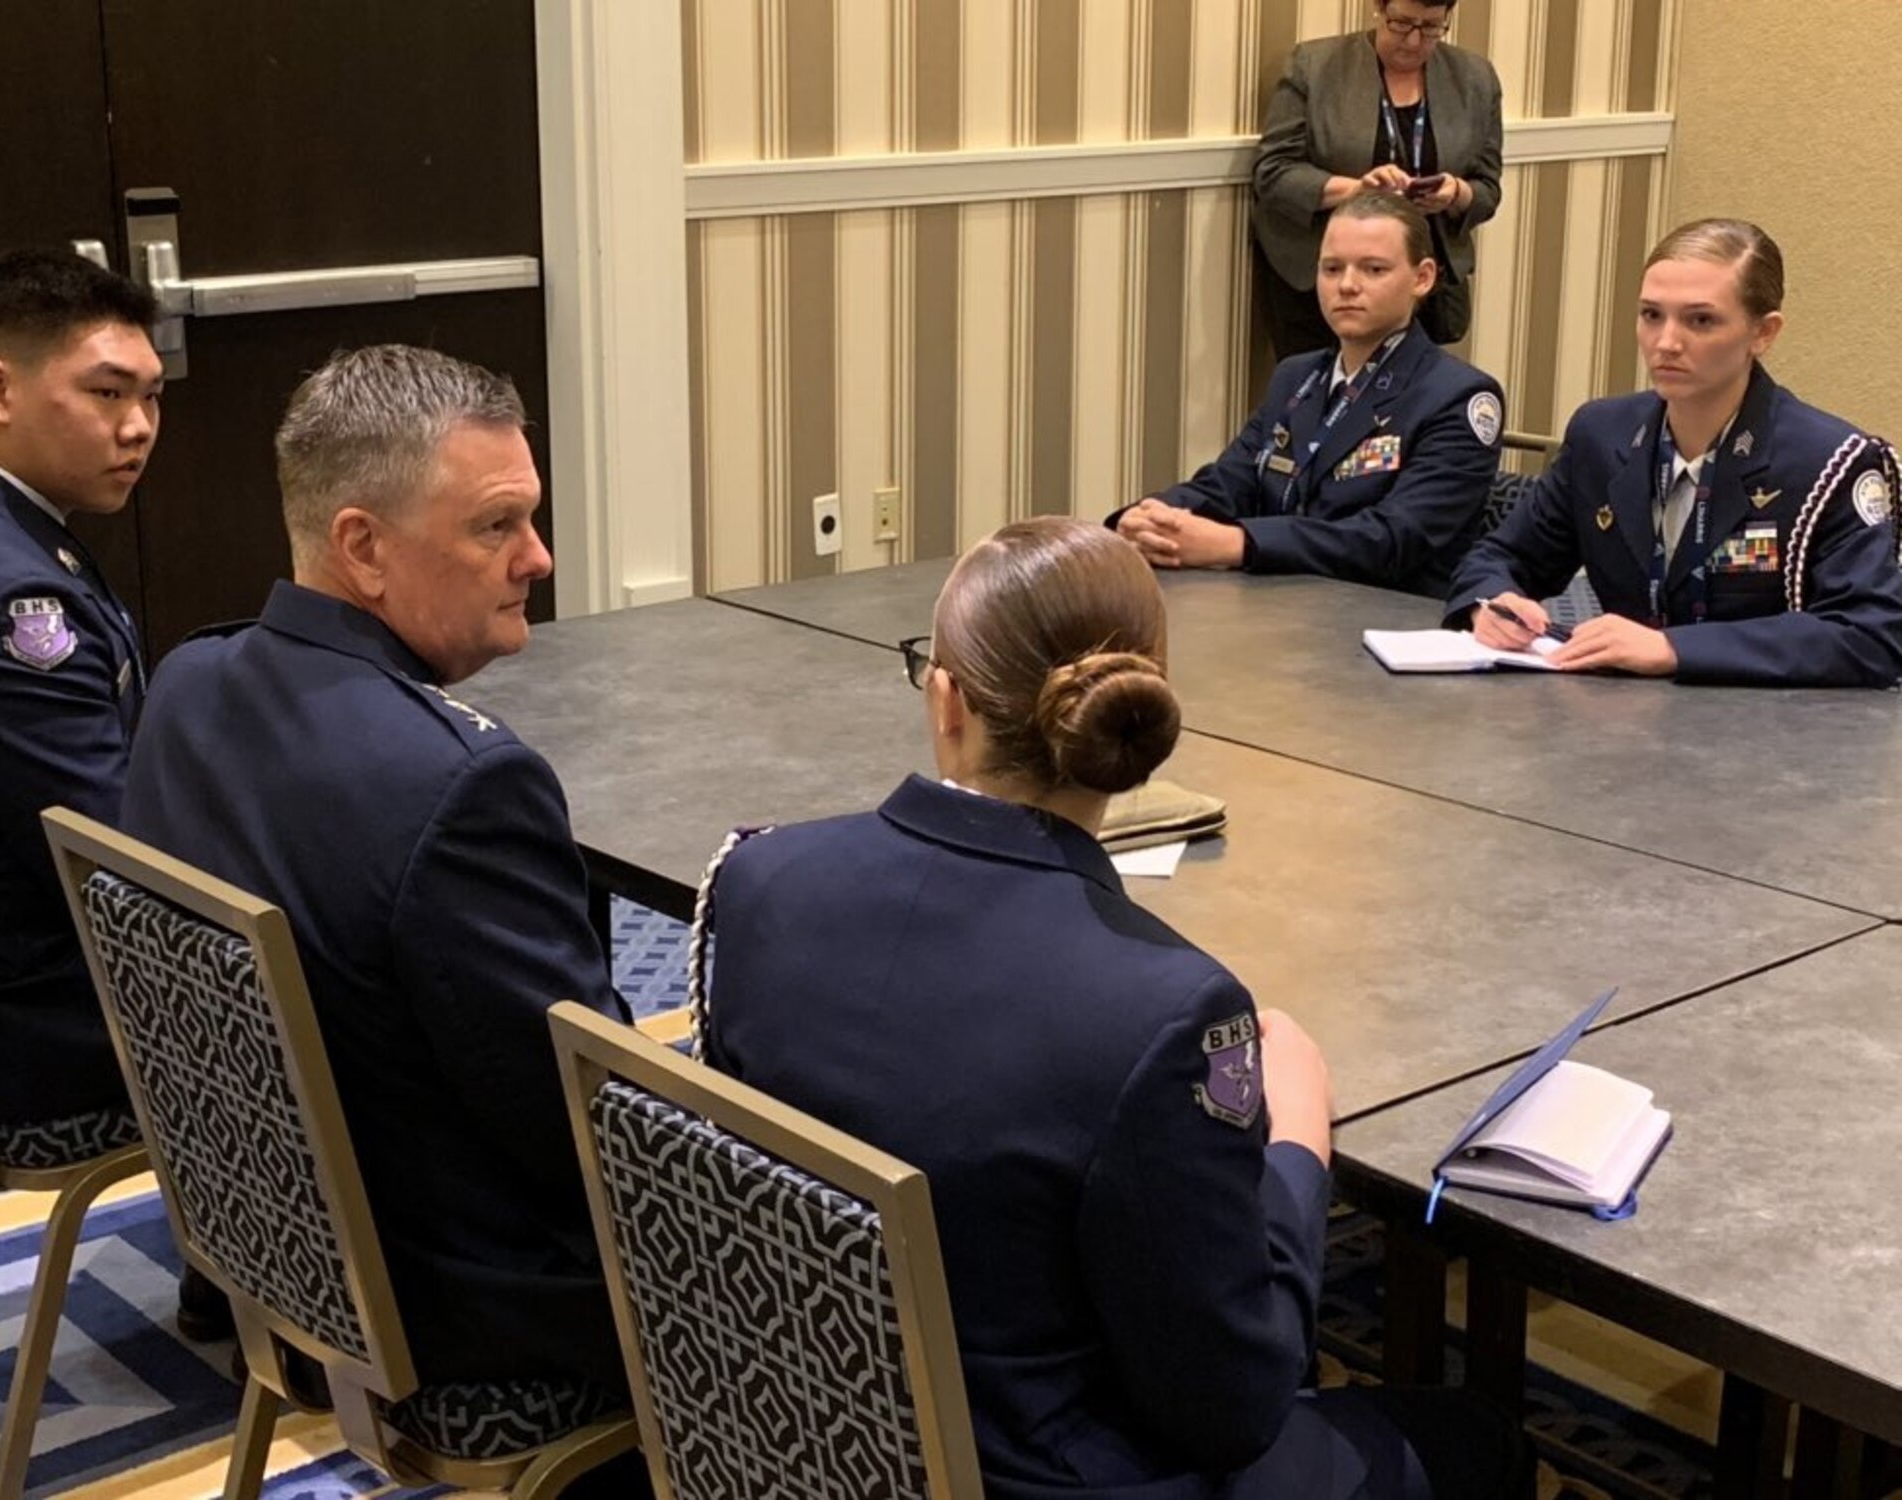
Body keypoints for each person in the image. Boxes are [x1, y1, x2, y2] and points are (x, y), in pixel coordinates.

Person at [698, 516, 1531, 1499]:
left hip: (799, 1435)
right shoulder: (1164, 1010)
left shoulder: (758, 882)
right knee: (1472, 1444)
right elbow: (1231, 1404)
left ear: (945, 699)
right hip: (1039, 1475)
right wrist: (1297, 1147)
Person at [120, 346, 632, 1426]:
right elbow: (589, 1129)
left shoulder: (188, 682)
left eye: (531, 519)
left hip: (263, 1258)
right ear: (362, 547)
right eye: (495, 527)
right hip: (453, 1325)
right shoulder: (462, 787)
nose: (536, 557)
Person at [0, 247, 161, 1138]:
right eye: (106, 393)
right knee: (372, 997)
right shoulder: (10, 612)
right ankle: (246, 1276)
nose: (138, 427)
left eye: (150, 396)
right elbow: (121, 873)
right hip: (57, 1035)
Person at [1450, 218, 1902, 687]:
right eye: (1651, 315)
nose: (1666, 343)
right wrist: (1493, 602)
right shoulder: (1601, 435)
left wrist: (1673, 648)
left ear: (1763, 334)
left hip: (1773, 736)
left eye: (1700, 320)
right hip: (1617, 725)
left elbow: (1869, 636)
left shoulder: (1830, 461)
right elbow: (1499, 557)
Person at [1112, 192, 1502, 597]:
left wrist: (1238, 544)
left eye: (1373, 269)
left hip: (1387, 621)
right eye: (1332, 269)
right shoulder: (1296, 376)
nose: (1347, 286)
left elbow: (1394, 540)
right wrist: (1150, 518)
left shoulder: (1458, 396)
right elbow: (1229, 483)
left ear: (1422, 278)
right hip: (1277, 604)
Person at [1253, 0, 1502, 358]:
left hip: (1422, 288)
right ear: (1378, 9)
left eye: (1431, 27)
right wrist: (1356, 191)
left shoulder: (1476, 78)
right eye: (1401, 23)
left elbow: (1487, 189)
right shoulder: (1314, 65)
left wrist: (1455, 193)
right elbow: (1273, 171)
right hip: (1324, 286)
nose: (1414, 41)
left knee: (1413, 407)